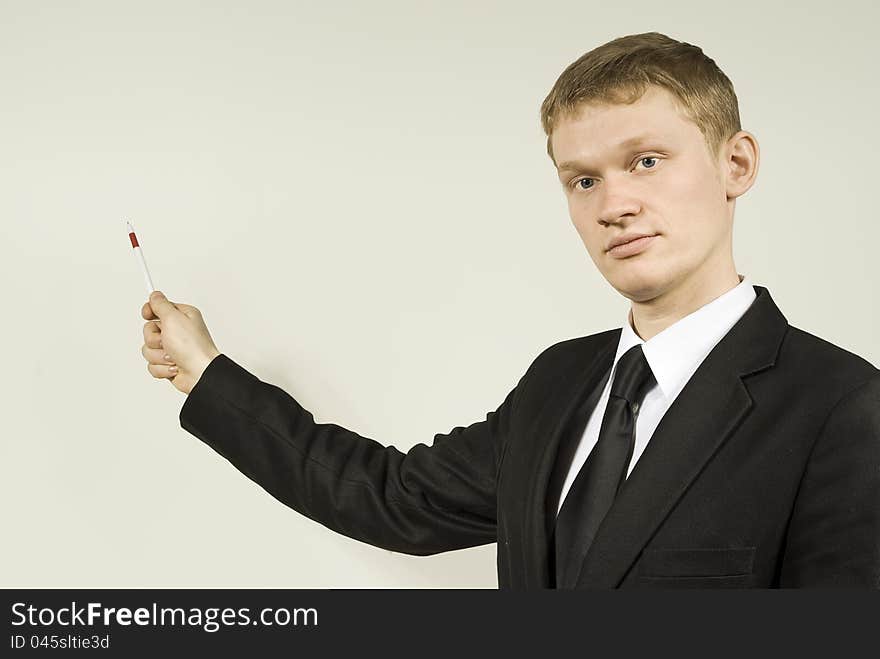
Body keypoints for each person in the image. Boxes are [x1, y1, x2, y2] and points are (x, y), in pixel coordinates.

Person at [139, 32, 880, 588]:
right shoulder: (559, 380)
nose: (615, 203)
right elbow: (393, 498)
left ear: (736, 164)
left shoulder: (842, 407)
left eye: (646, 161)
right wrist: (206, 372)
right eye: (581, 180)